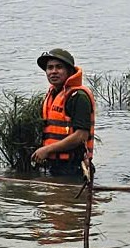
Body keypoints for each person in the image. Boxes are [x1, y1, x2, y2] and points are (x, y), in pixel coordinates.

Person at [30, 48, 95, 180]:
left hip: (74, 168)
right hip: (55, 165)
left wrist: (47, 150)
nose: (53, 71)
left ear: (70, 71)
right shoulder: (52, 95)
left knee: (66, 199)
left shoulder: (78, 97)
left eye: (59, 67)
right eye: (50, 68)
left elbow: (81, 136)